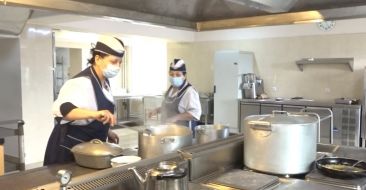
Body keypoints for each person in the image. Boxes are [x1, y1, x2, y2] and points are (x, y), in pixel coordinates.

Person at [43, 36, 125, 165]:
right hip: (69, 151)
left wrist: (107, 130)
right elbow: (65, 110)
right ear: (97, 58)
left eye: (120, 62)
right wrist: (95, 114)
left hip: (90, 151)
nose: (118, 66)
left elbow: (90, 118)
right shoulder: (81, 82)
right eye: (114, 61)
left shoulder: (105, 83)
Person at [149, 59, 202, 132]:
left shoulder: (189, 91)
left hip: (183, 133)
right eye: (171, 74)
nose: (174, 77)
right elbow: (168, 107)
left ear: (184, 75)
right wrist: (157, 110)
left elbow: (194, 114)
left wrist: (175, 118)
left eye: (178, 75)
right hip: (168, 131)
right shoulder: (170, 89)